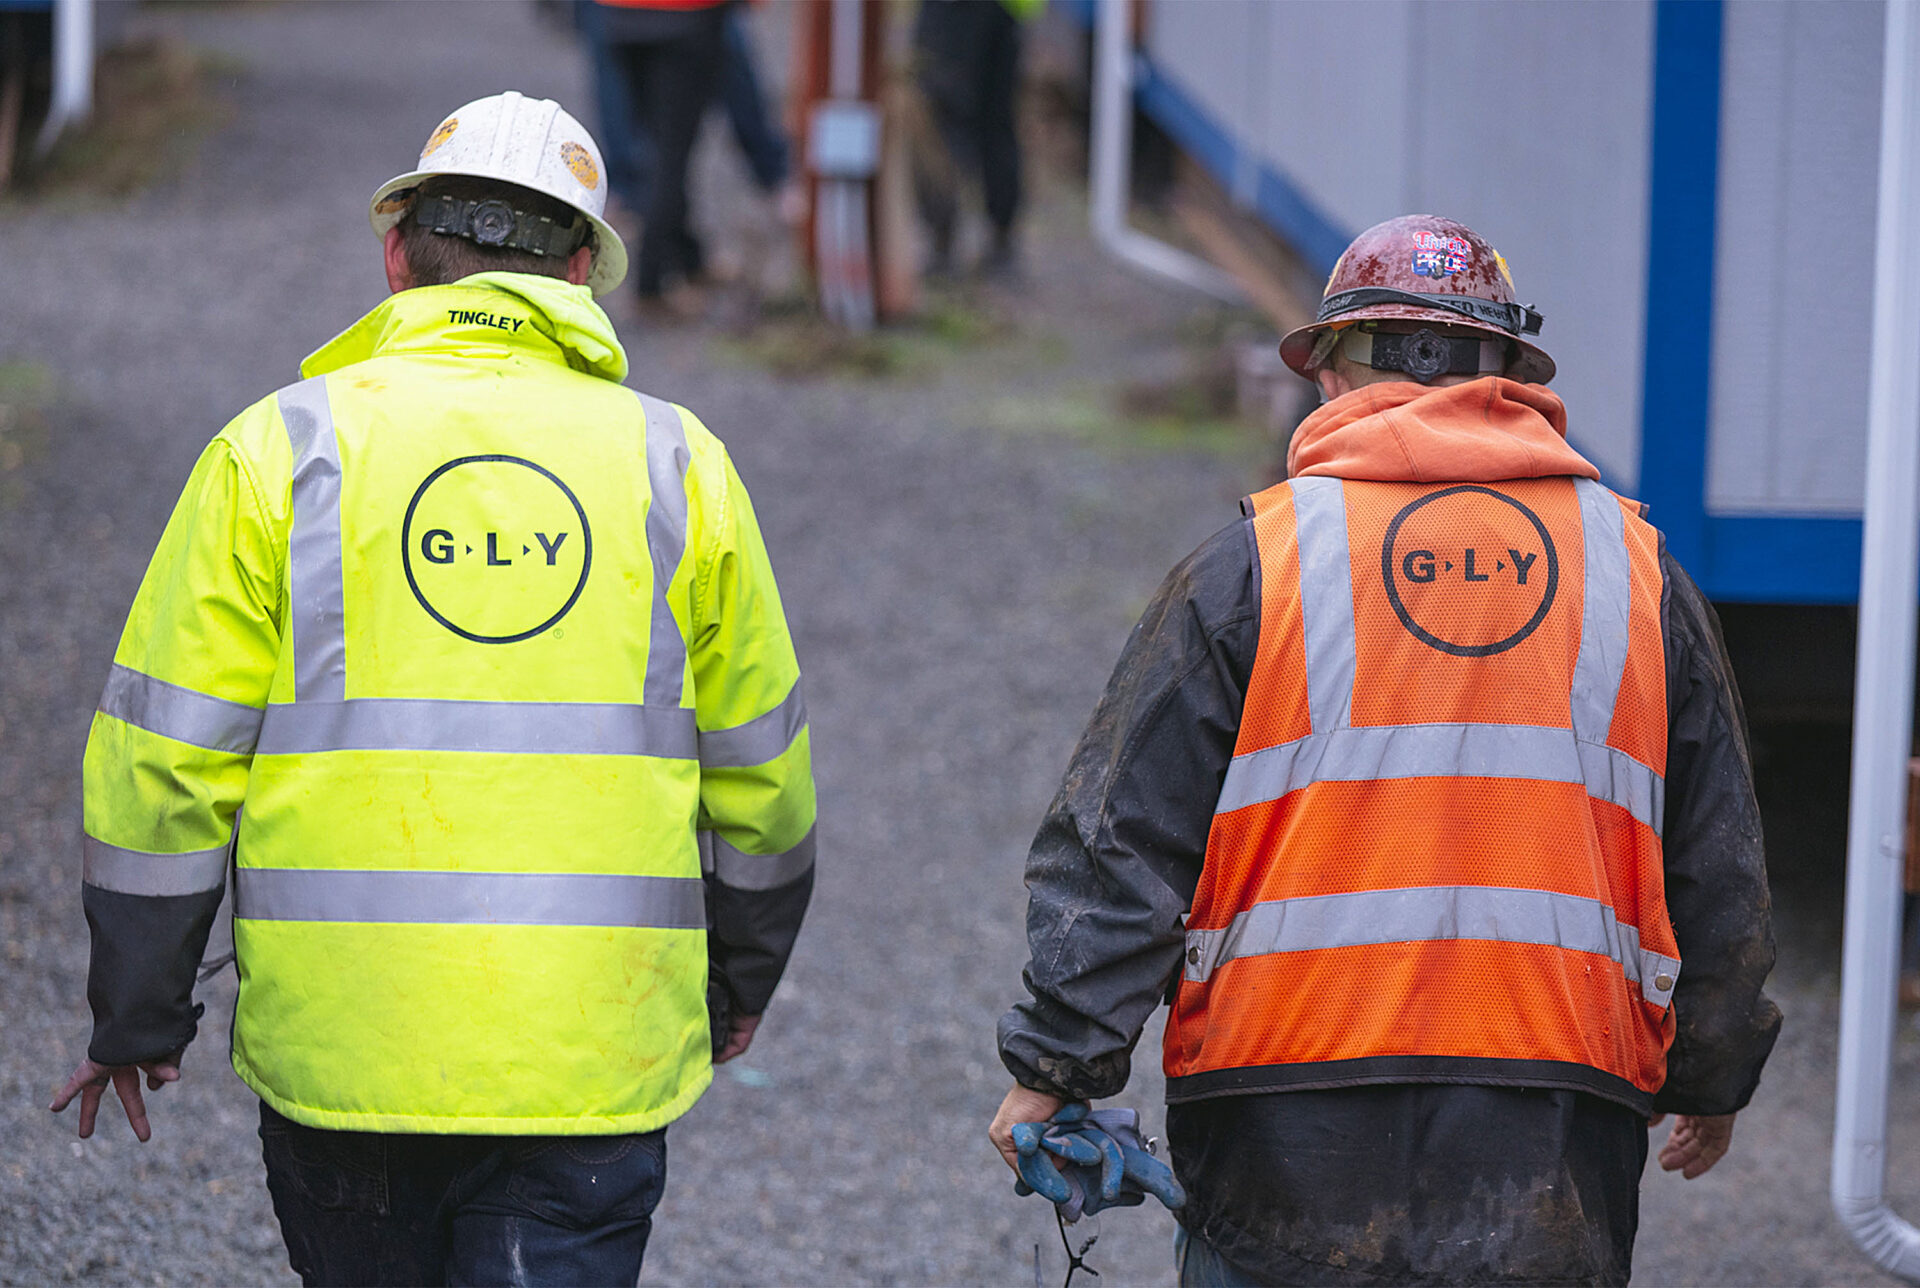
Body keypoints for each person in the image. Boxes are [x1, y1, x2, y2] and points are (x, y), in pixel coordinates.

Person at [51, 91, 817, 1286]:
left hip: (346, 1062)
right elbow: (765, 777)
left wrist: (139, 1009)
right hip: (589, 1060)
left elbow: (161, 762)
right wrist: (736, 978)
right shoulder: (683, 468)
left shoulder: (277, 453)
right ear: (579, 271)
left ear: (399, 253)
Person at [989, 215, 1780, 1286]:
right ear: (1503, 377)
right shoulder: (1639, 578)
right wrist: (1710, 1066)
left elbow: (1123, 837)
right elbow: (1717, 857)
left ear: (1334, 380)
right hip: (1554, 1110)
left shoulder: (1251, 569)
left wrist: (1056, 1060)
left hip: (1282, 1106)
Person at [911, 0, 1042, 278]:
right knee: (995, 120)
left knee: (942, 120)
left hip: (955, 10)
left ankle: (944, 240)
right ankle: (999, 240)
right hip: (1006, 9)